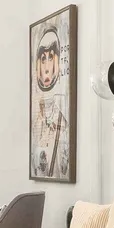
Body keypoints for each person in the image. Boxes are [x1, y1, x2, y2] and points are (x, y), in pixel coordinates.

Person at [31, 25, 70, 179]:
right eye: (43, 59)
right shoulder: (36, 120)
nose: (47, 68)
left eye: (51, 57)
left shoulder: (62, 120)